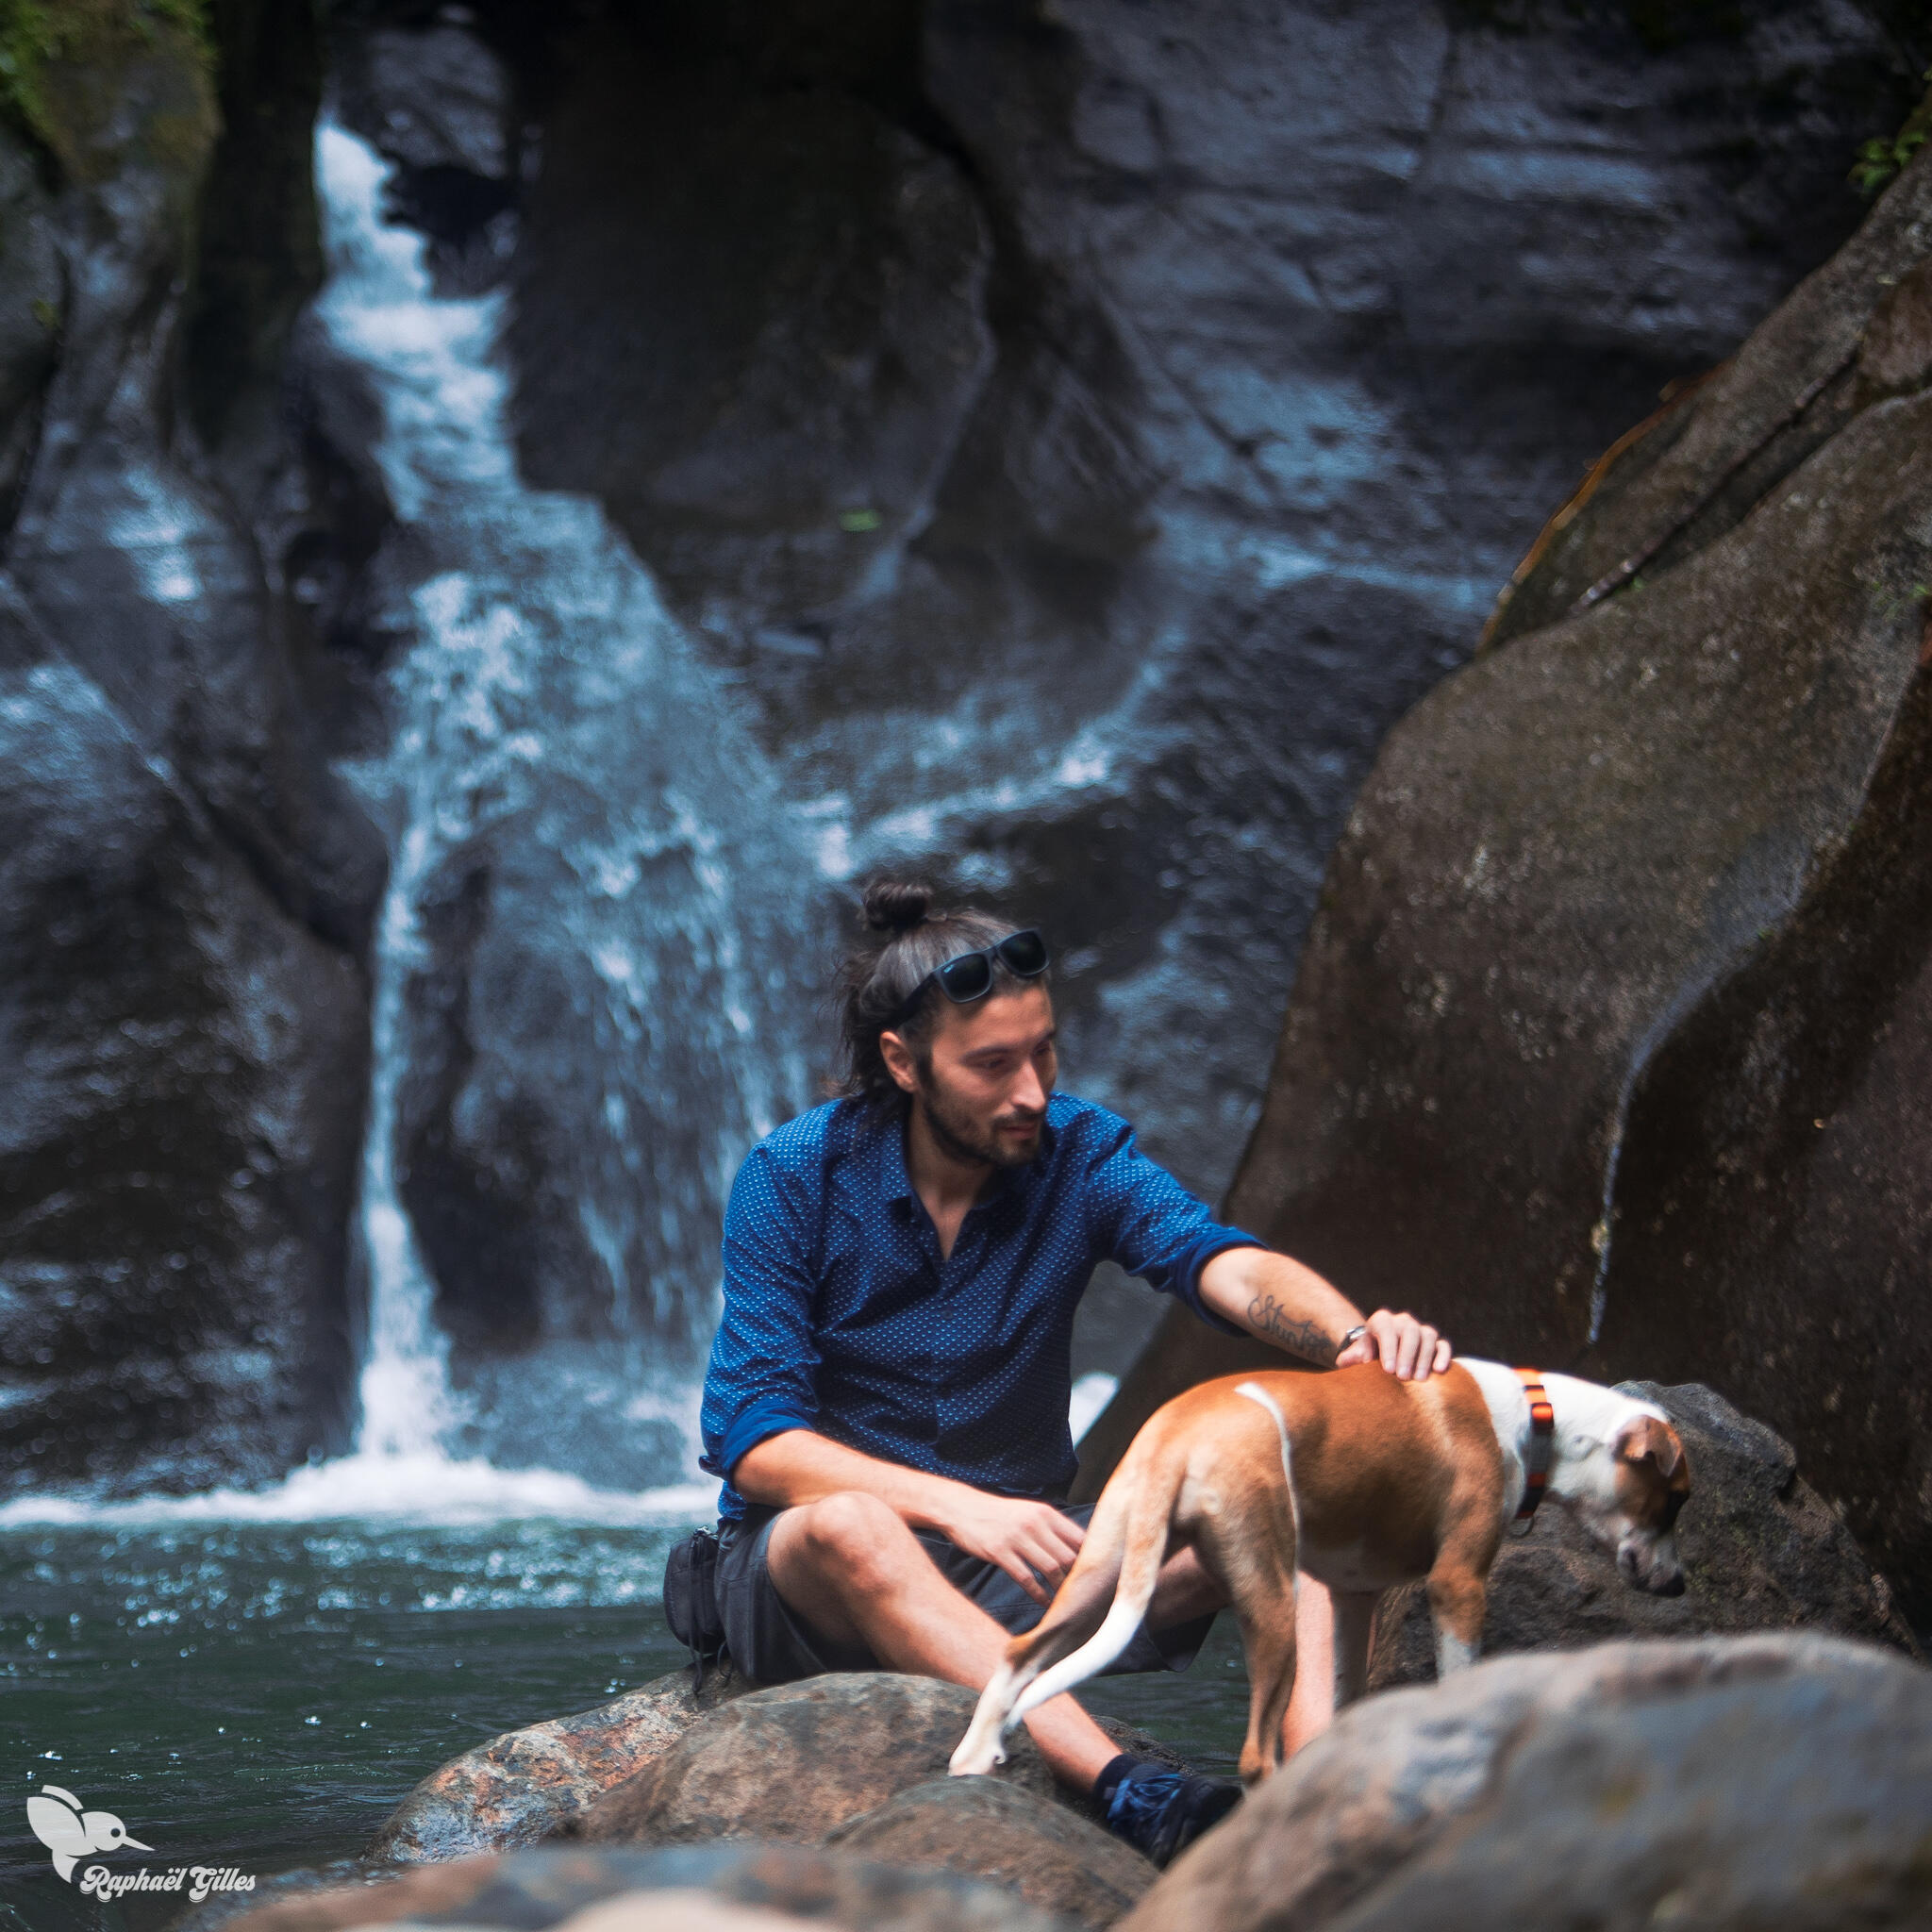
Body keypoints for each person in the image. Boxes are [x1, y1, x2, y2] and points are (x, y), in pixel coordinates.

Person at [698, 879, 1451, 1864]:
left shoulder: (1078, 1151)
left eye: (1043, 1048)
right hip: (807, 1581)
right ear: (903, 1062)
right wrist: (958, 1505)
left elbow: (1209, 1256)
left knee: (1306, 1490)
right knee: (850, 1523)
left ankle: (1312, 1779)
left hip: (1031, 1568)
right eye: (992, 1064)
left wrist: (1349, 1341)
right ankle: (1125, 1788)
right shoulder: (793, 1175)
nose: (1030, 1091)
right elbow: (753, 1437)